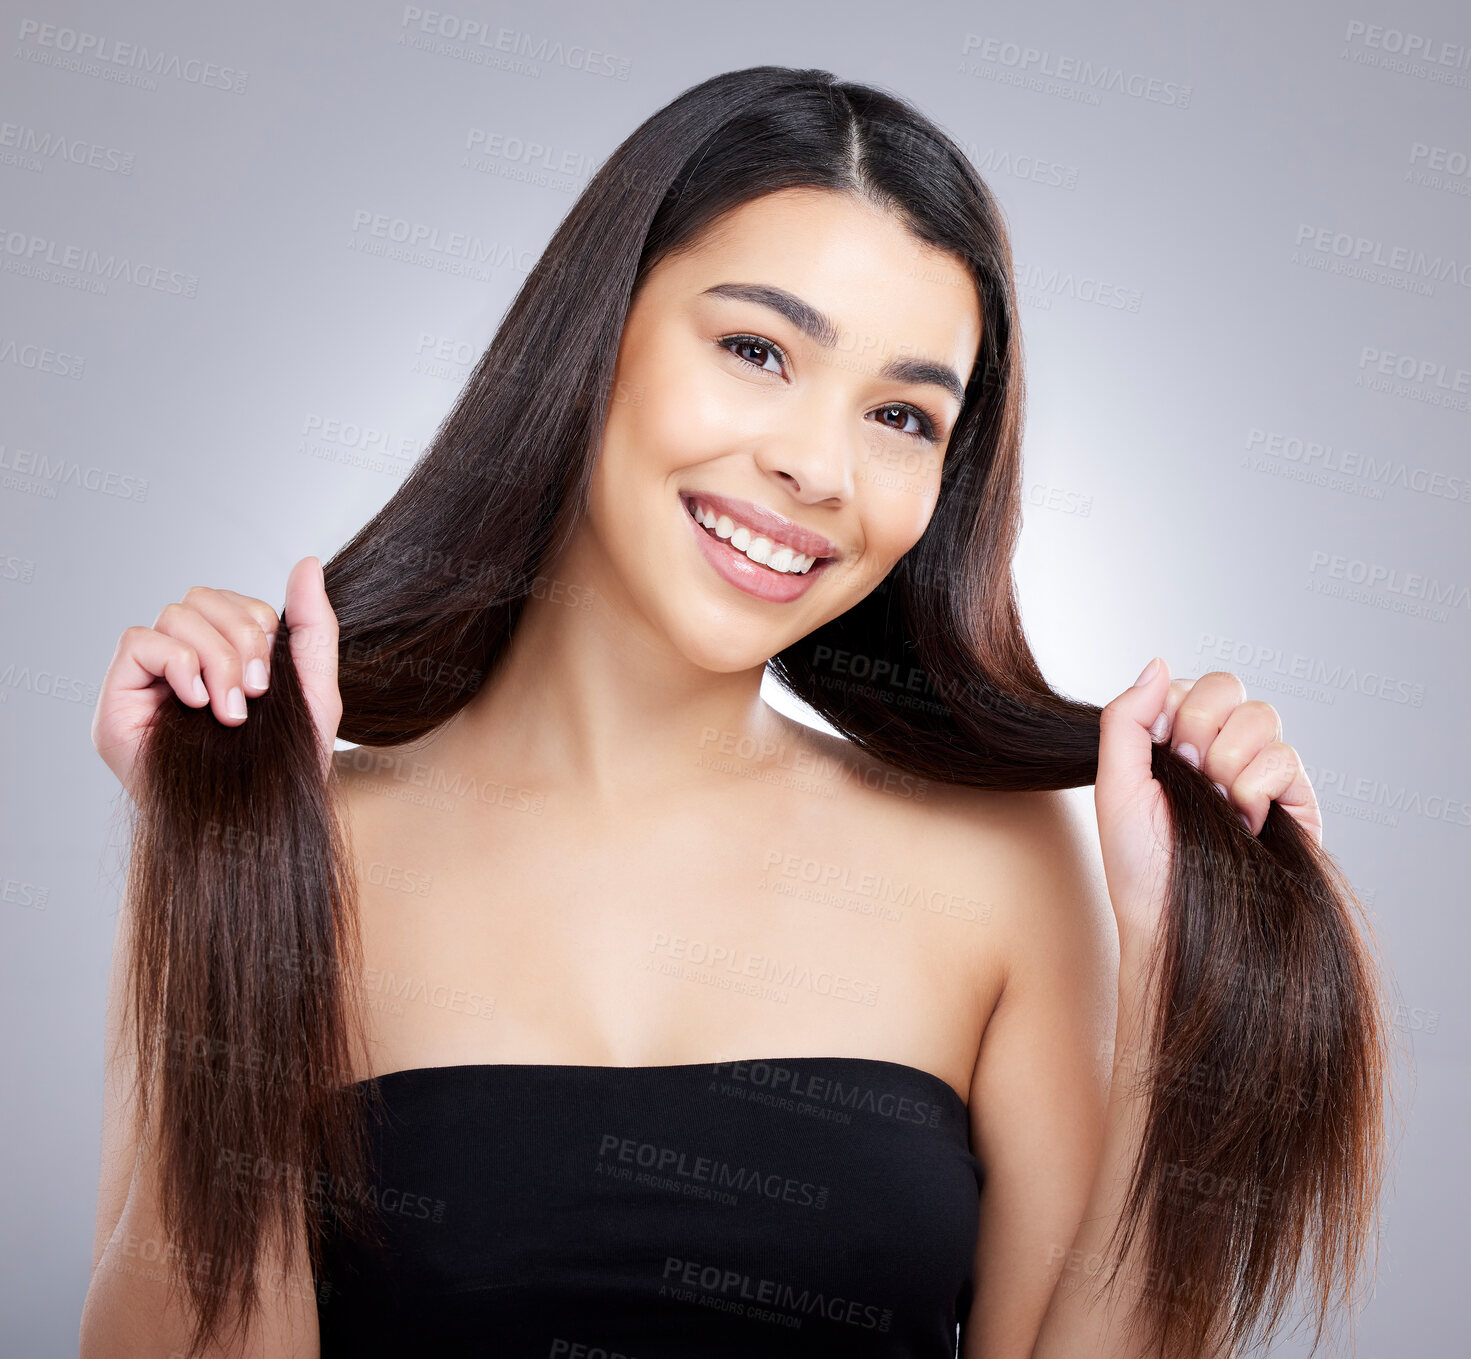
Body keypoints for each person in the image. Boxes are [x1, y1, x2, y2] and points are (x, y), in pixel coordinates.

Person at [79, 66, 1391, 1359]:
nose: (817, 466)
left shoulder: (1005, 875)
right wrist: (226, 858)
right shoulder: (298, 844)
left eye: (900, 415)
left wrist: (1195, 975)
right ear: (598, 334)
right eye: (758, 349)